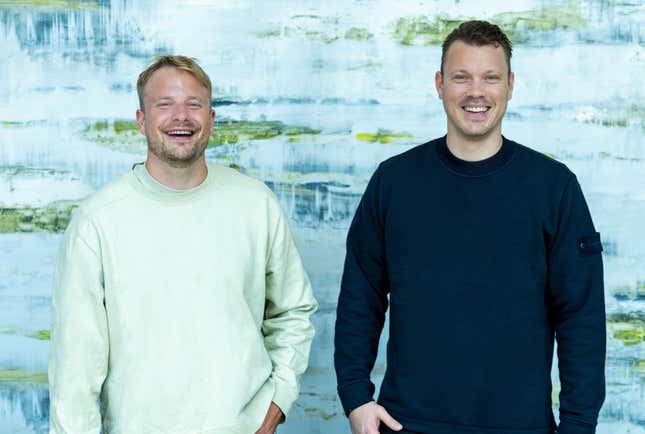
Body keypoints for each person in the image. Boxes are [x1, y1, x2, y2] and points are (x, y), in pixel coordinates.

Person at [334, 20, 605, 434]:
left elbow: (581, 319)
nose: (476, 92)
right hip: (408, 424)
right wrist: (356, 397)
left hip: (521, 427)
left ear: (510, 85)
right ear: (440, 84)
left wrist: (578, 425)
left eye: (490, 78)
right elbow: (360, 297)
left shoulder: (554, 187)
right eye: (461, 77)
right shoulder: (394, 183)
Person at [48, 55, 318, 434]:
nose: (181, 116)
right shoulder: (97, 222)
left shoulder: (256, 205)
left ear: (211, 119)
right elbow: (74, 368)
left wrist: (275, 406)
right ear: (141, 120)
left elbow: (293, 311)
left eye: (194, 105)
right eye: (165, 104)